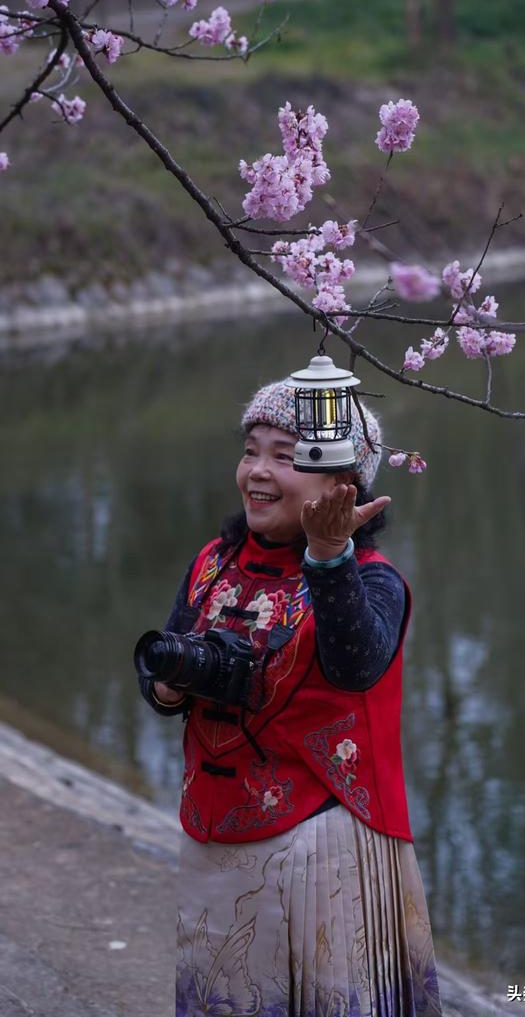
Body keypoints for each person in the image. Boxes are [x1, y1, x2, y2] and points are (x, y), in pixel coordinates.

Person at [138, 378, 443, 1017]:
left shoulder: (373, 581)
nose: (259, 471)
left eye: (287, 455)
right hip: (213, 829)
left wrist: (330, 558)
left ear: (343, 484)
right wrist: (167, 686)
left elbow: (356, 667)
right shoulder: (212, 562)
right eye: (253, 451)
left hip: (321, 846)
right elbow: (164, 666)